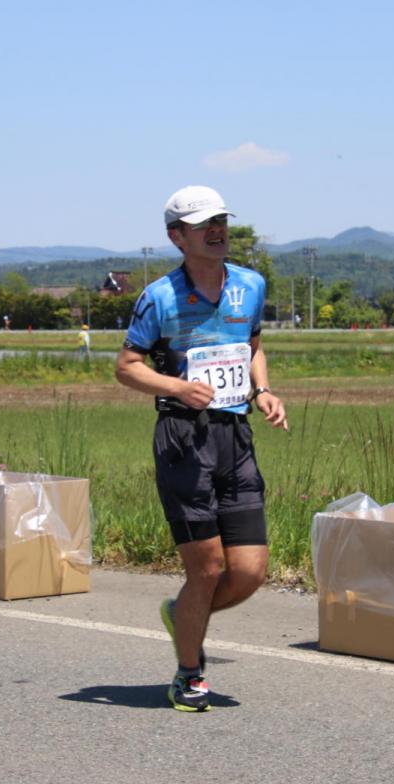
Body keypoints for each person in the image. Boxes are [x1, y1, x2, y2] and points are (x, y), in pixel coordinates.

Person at [116, 185, 288, 712]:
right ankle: (188, 674)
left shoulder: (250, 285)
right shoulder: (160, 297)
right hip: (183, 437)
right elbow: (127, 366)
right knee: (207, 568)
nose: (217, 231)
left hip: (234, 436)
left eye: (221, 221)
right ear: (177, 237)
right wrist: (177, 388)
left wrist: (262, 389)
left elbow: (252, 344)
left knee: (250, 571)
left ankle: (182, 614)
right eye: (203, 225)